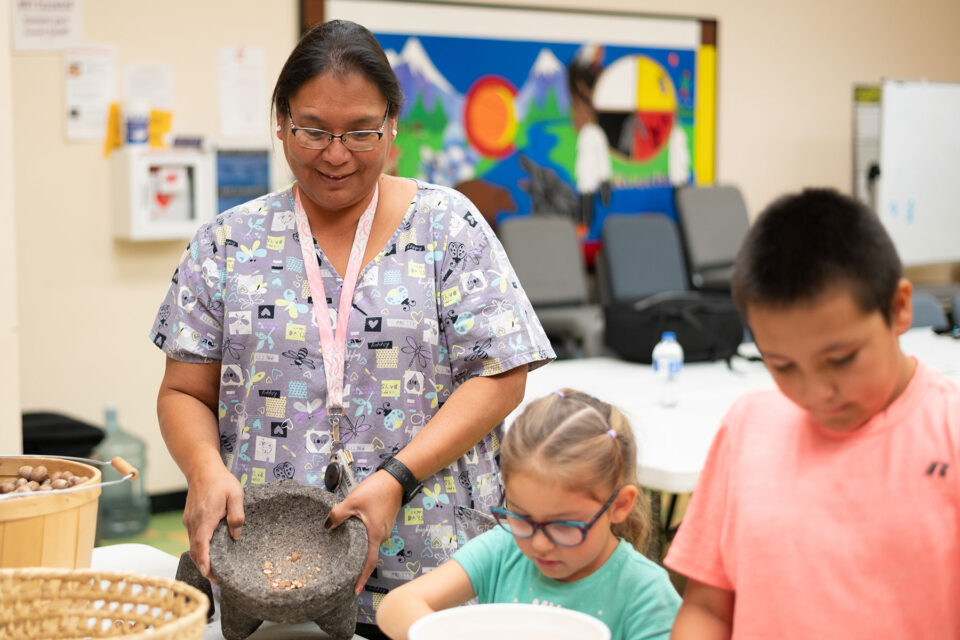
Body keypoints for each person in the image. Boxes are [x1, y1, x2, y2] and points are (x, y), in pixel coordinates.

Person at [149, 19, 554, 639]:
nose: (336, 154)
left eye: (361, 132)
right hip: (272, 571)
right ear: (281, 122)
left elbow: (500, 375)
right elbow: (184, 391)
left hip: (434, 564)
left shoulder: (449, 227)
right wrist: (205, 469)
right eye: (313, 130)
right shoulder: (225, 243)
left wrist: (397, 479)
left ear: (393, 125)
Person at [665, 189, 960, 639]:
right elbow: (708, 609)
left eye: (841, 359)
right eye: (782, 365)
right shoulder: (749, 427)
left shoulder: (949, 433)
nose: (815, 392)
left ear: (899, 308)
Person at [376, 389, 681, 640]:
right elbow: (397, 606)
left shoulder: (645, 593)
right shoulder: (504, 549)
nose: (540, 544)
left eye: (564, 526)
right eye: (522, 518)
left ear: (619, 505)